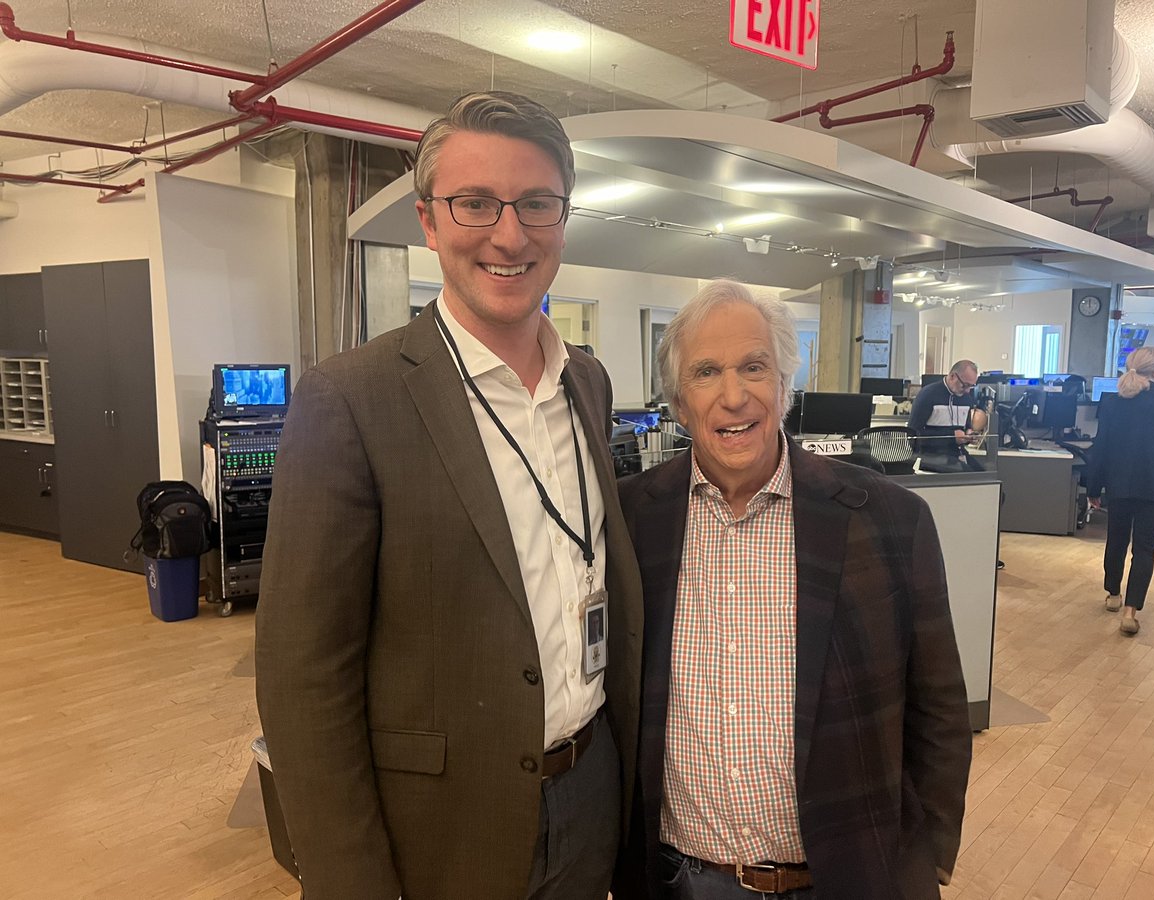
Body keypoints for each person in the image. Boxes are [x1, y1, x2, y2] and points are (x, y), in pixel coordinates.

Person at [255, 91, 643, 900]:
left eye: (537, 203)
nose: (510, 233)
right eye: (475, 203)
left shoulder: (590, 383)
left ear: (564, 219)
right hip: (437, 828)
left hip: (589, 794)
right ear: (430, 222)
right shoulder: (351, 399)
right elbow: (302, 677)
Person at [614, 281, 972, 899]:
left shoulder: (888, 518)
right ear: (677, 401)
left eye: (754, 367)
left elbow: (938, 703)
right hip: (680, 882)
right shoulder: (630, 520)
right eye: (706, 372)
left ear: (784, 387)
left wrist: (931, 850)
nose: (734, 396)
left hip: (846, 877)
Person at [1086, 346, 1154, 636]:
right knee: (1144, 549)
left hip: (1119, 484)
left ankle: (1113, 595)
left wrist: (1093, 487)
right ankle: (1131, 611)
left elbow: (1101, 448)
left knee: (1116, 541)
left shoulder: (1112, 402)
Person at [908, 360, 979, 471]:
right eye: (964, 385)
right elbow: (913, 435)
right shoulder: (928, 395)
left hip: (957, 453)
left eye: (971, 386)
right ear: (952, 376)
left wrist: (969, 435)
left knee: (987, 475)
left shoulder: (966, 399)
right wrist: (951, 436)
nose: (967, 391)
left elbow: (966, 427)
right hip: (930, 455)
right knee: (966, 474)